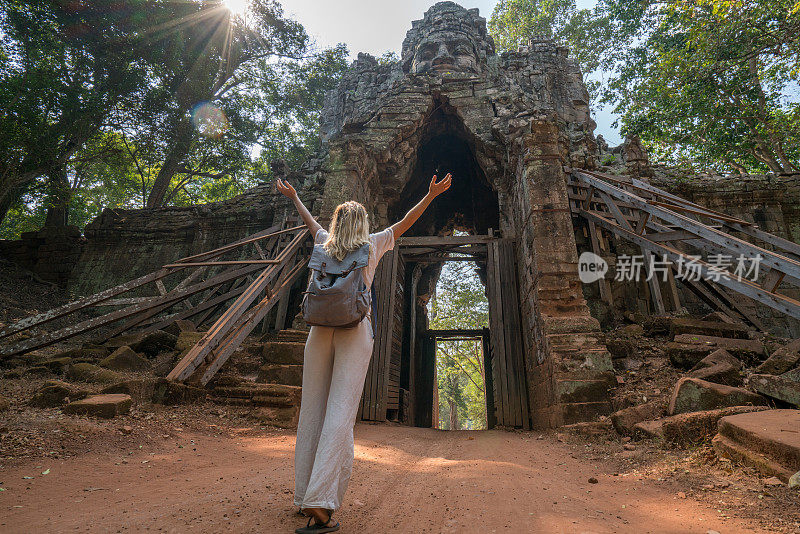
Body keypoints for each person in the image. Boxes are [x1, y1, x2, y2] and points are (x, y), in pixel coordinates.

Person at [276, 173, 452, 533]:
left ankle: (304, 493)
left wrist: (294, 196)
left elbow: (310, 222)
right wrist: (431, 194)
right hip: (355, 330)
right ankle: (320, 502)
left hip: (318, 332)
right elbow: (406, 222)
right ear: (363, 223)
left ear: (337, 221)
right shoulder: (373, 243)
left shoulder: (324, 242)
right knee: (340, 413)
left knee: (313, 411)